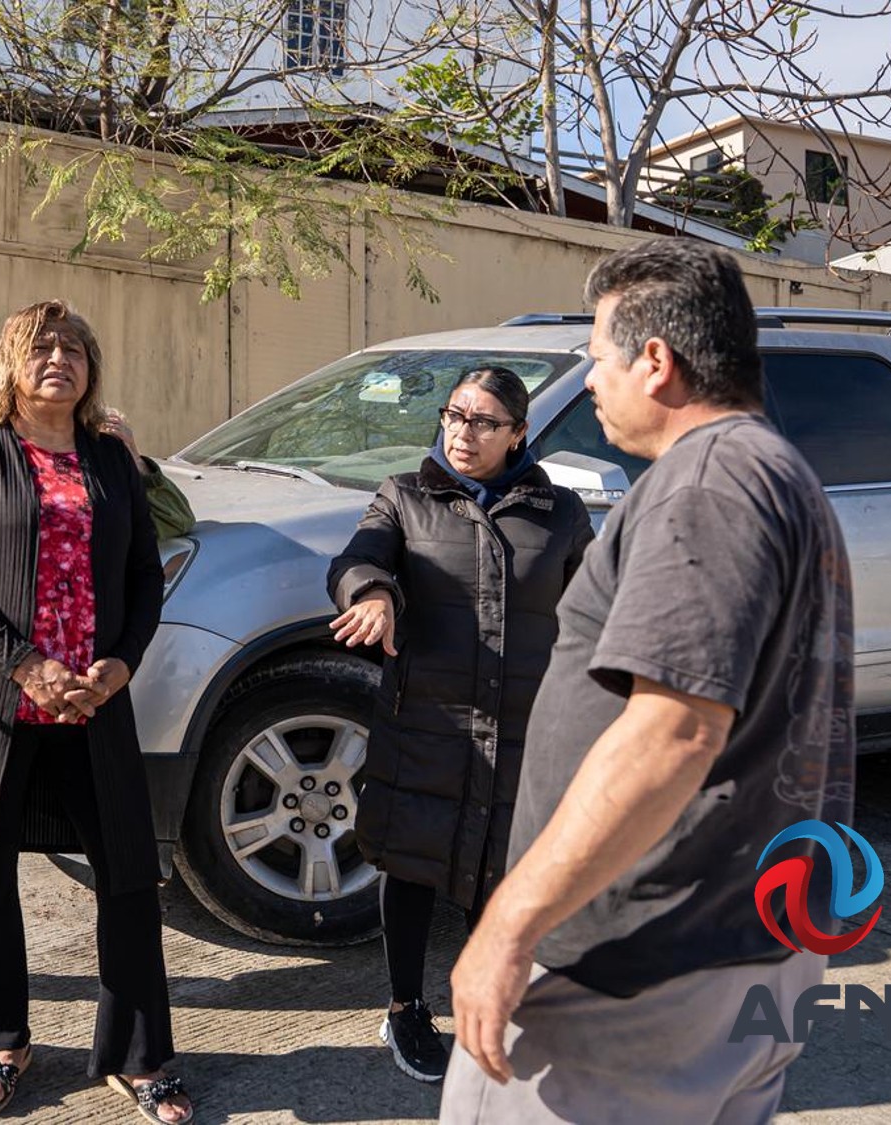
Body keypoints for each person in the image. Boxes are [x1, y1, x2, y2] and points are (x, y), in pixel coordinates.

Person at [441, 238, 856, 1122]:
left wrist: (510, 924)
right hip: (741, 950)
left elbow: (674, 730)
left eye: (599, 358)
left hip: (639, 971)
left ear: (656, 362)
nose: (592, 380)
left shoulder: (708, 483)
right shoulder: (779, 474)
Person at [0, 299, 194, 1123]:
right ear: (10, 364)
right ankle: (1, 1038)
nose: (58, 358)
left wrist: (121, 662)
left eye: (73, 348)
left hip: (95, 699)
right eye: (41, 346)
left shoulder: (108, 459)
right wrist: (25, 664)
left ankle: (139, 1052)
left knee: (128, 875)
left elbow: (145, 572)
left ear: (91, 369)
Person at [0, 408, 196, 1012]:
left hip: (69, 689)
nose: (57, 370)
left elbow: (172, 525)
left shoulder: (100, 464)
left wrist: (136, 464)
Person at [327, 367, 592, 1083]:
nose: (462, 432)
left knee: (500, 873)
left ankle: (490, 1002)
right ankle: (405, 1006)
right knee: (412, 863)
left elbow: (592, 610)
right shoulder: (404, 496)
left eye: (483, 421)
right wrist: (373, 594)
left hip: (522, 729)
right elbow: (358, 558)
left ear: (518, 434)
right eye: (454, 415)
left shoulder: (559, 512)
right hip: (427, 724)